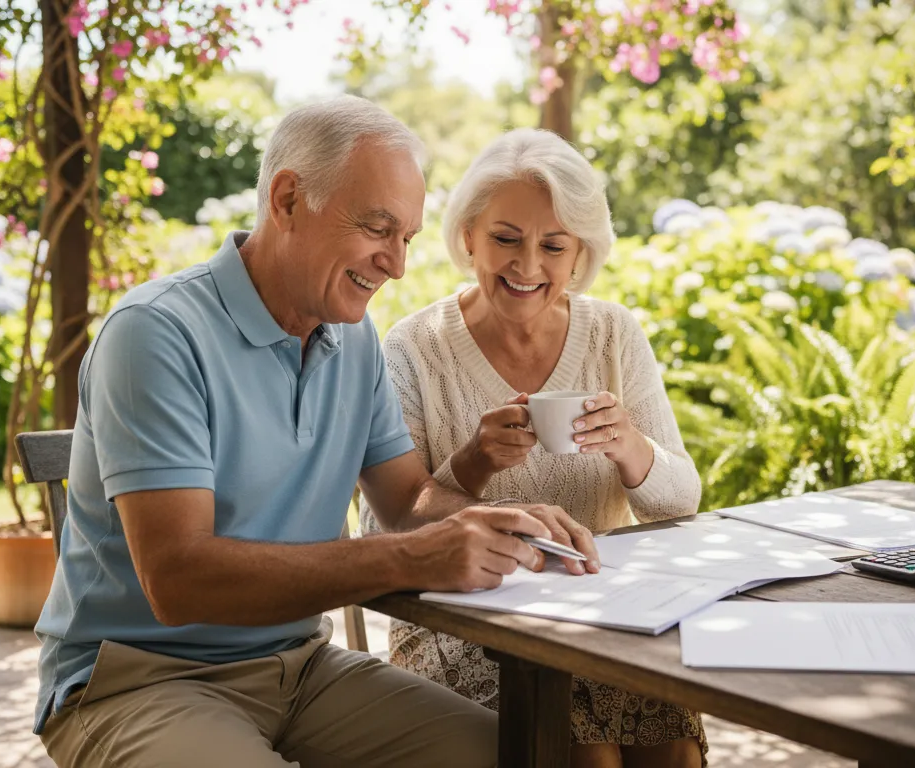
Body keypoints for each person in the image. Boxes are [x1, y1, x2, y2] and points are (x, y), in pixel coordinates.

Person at [32, 97, 600, 768]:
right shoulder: (156, 334)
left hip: (298, 667)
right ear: (288, 199)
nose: (397, 264)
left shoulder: (351, 335)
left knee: (523, 755)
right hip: (138, 682)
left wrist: (500, 522)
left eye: (407, 238)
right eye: (378, 227)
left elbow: (407, 503)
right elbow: (178, 578)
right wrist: (412, 558)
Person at [361, 128, 706, 768]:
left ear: (579, 254)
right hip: (461, 619)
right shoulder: (413, 350)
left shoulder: (612, 334)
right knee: (586, 754)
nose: (527, 267)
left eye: (553, 246)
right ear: (468, 237)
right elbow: (385, 521)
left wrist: (632, 448)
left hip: (603, 613)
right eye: (505, 239)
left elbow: (681, 501)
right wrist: (473, 462)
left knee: (673, 747)